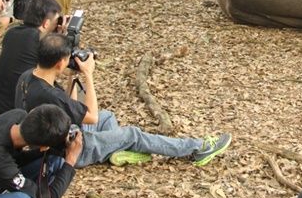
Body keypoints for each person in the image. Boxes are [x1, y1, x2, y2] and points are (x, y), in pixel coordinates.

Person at [15, 33, 232, 168]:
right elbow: (91, 117)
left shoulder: (31, 77)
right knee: (132, 134)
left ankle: (116, 150)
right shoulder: (50, 95)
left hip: (58, 133)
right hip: (73, 148)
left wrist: (74, 76)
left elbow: (72, 107)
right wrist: (88, 75)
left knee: (109, 118)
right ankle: (196, 148)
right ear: (61, 63)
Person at [0, 0, 63, 114]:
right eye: (57, 21)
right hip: (19, 106)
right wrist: (62, 37)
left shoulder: (12, 32)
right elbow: (61, 66)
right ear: (46, 23)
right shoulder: (37, 39)